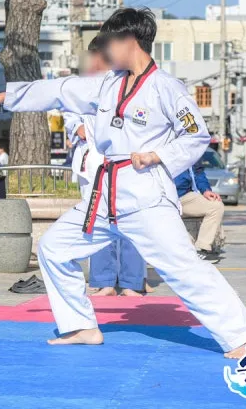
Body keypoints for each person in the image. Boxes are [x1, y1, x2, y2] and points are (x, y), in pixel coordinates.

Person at [0, 8, 246, 358]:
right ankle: (80, 326)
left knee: (184, 267)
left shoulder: (166, 88)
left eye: (107, 43)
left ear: (129, 41)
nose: (104, 51)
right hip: (104, 196)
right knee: (53, 249)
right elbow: (61, 89)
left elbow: (196, 135)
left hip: (145, 195)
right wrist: (5, 97)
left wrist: (159, 155)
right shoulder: (107, 84)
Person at [65, 36, 148, 297]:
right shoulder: (80, 88)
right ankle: (104, 281)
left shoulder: (131, 83)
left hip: (126, 163)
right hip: (94, 165)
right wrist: (80, 127)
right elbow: (72, 121)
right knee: (98, 222)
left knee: (131, 220)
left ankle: (133, 281)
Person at [176, 155, 224, 263]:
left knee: (216, 206)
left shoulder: (191, 149)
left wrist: (205, 190)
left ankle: (201, 249)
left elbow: (198, 172)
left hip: (183, 196)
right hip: (161, 197)